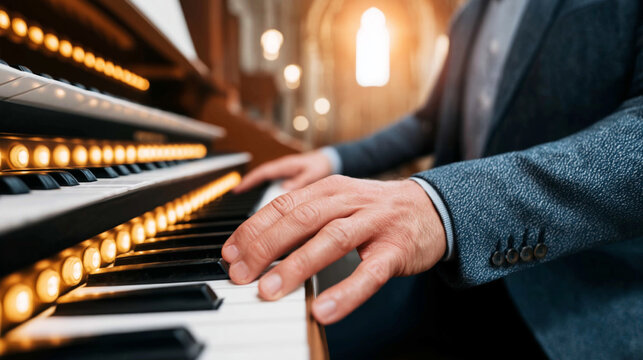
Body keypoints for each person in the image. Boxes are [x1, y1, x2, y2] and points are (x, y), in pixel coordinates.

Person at [222, 0, 643, 358]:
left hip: (571, 295)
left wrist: (444, 206)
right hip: (447, 277)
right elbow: (430, 123)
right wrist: (333, 158)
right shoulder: (467, 14)